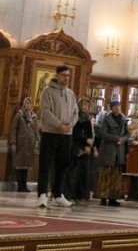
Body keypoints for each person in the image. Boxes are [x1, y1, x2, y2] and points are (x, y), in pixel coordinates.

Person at [36, 64, 78, 208]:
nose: (66, 78)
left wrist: (69, 126)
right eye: (64, 75)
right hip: (50, 133)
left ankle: (58, 195)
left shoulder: (71, 94)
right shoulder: (47, 91)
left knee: (63, 165)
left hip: (67, 134)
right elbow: (45, 111)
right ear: (57, 76)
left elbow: (75, 113)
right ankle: (42, 195)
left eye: (68, 75)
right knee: (45, 165)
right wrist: (58, 124)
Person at [96, 99, 129, 207]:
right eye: (114, 106)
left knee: (116, 175)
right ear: (111, 108)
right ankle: (103, 197)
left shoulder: (123, 119)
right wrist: (116, 138)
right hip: (108, 149)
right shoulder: (107, 118)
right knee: (106, 174)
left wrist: (122, 140)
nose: (117, 108)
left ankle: (113, 198)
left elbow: (128, 134)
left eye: (118, 106)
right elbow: (103, 134)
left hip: (119, 150)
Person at [65, 97, 95, 203]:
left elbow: (90, 135)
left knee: (83, 173)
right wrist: (85, 140)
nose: (86, 107)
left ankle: (81, 195)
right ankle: (70, 194)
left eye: (88, 105)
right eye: (84, 105)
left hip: (85, 149)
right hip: (75, 147)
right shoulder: (75, 117)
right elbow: (74, 133)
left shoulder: (87, 120)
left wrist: (88, 145)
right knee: (73, 173)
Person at [9, 96, 38, 192]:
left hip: (29, 145)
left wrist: (37, 142)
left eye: (30, 103)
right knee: (19, 165)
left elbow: (35, 130)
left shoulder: (33, 117)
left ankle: (24, 186)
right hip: (20, 144)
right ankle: (20, 186)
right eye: (27, 103)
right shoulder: (19, 115)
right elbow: (13, 130)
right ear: (24, 104)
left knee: (26, 166)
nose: (29, 105)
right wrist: (13, 142)